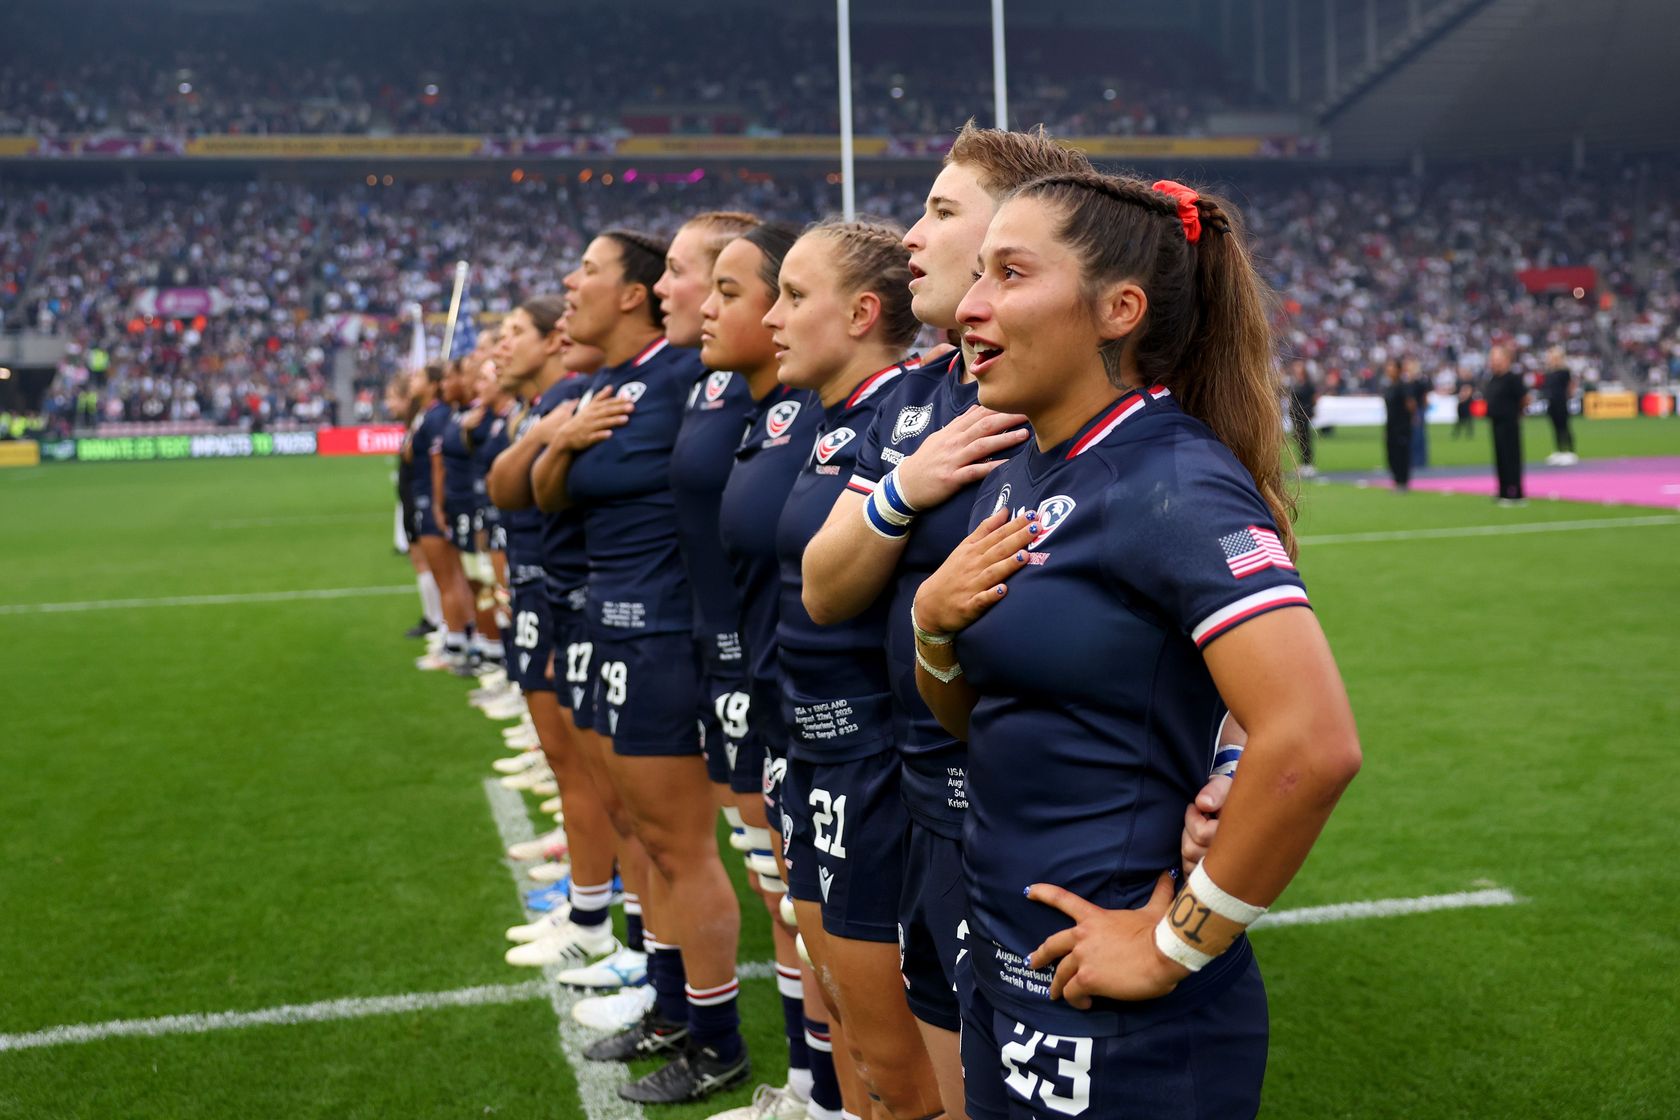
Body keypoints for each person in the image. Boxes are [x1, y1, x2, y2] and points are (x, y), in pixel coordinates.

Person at [912, 171, 1361, 1119]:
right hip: (1002, 967)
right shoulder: (1026, 468)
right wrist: (935, 631)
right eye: (978, 271)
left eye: (1011, 272)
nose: (973, 303)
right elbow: (981, 714)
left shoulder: (1174, 484)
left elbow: (1313, 742)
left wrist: (1172, 949)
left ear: (1119, 309)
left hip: (1115, 1020)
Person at [800, 123, 1091, 1120]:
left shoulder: (1088, 413)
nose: (912, 235)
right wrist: (903, 491)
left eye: (940, 210)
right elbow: (824, 586)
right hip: (924, 805)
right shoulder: (915, 402)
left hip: (1043, 827)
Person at [532, 228, 749, 1104]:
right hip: (613, 631)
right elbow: (546, 497)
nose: (671, 292)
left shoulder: (691, 379)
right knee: (643, 832)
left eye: (588, 268)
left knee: (679, 844)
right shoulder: (616, 385)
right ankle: (670, 1005)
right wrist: (559, 442)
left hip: (665, 635)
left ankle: (718, 1037)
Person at [754, 219, 936, 1120]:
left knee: (901, 1071)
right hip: (814, 756)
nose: (771, 318)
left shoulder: (907, 416)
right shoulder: (836, 423)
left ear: (863, 312)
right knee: (856, 1047)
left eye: (793, 296)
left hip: (874, 769)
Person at [707, 218, 856, 1120]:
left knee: (848, 947)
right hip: (777, 699)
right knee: (793, 908)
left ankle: (825, 1094)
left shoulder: (856, 416)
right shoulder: (785, 411)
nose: (768, 319)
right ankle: (812, 1089)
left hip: (849, 731)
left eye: (786, 297)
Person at [483, 295, 629, 990]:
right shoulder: (548, 407)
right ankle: (588, 900)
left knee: (583, 769)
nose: (498, 348)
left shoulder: (579, 396)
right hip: (547, 594)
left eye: (513, 334)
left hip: (574, 599)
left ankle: (592, 914)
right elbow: (507, 489)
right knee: (571, 763)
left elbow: (520, 494)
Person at [407, 361, 475, 672]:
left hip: (434, 502)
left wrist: (437, 503)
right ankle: (460, 638)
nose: (413, 380)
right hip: (432, 500)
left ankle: (457, 641)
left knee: (449, 577)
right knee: (453, 577)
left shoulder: (437, 417)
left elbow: (436, 462)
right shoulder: (431, 415)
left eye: (421, 376)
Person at [1485, 343, 1527, 504]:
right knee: (1500, 457)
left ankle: (1516, 492)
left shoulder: (1512, 378)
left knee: (1512, 457)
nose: (1493, 362)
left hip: (1509, 422)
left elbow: (1524, 399)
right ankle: (1503, 489)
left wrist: (1518, 413)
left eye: (1496, 358)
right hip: (1495, 422)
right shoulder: (1493, 378)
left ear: (1506, 359)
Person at [1382, 358, 1414, 491]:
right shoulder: (1388, 387)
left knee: (1402, 454)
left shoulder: (1403, 386)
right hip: (1390, 426)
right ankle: (1396, 480)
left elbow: (1411, 405)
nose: (1389, 370)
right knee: (1391, 454)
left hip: (1401, 427)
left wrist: (1407, 423)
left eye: (1392, 367)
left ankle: (1403, 482)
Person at [1543, 346, 1577, 465]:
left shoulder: (1564, 371)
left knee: (1564, 427)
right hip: (1551, 403)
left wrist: (1569, 396)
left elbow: (1570, 387)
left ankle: (1571, 452)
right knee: (1555, 428)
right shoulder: (1549, 372)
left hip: (1561, 402)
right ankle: (1559, 451)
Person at [1287, 359, 1317, 477]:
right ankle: (1302, 464)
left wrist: (1309, 411)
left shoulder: (1308, 384)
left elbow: (1314, 399)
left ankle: (1308, 464)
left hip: (1304, 415)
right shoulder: (1296, 383)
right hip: (1295, 415)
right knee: (1299, 440)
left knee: (1306, 439)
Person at [1405, 355, 1430, 470]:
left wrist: (1417, 413)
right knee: (1417, 436)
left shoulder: (1415, 383)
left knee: (1417, 436)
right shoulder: (1416, 382)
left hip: (1416, 411)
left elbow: (1418, 399)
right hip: (1418, 410)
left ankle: (1417, 461)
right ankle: (1418, 460)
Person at [1452, 368, 1475, 439]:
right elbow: (1457, 391)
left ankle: (1469, 433)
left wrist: (1464, 397)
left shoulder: (1471, 382)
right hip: (1461, 403)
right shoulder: (1459, 382)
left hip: (1467, 403)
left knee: (1468, 418)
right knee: (1459, 419)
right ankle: (1457, 432)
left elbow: (1470, 391)